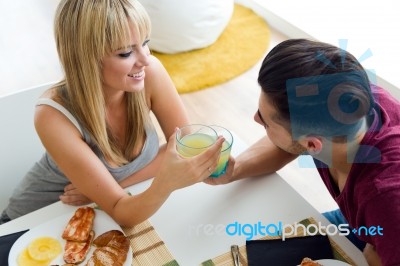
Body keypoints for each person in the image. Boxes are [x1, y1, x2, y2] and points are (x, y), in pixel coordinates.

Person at [0, 0, 224, 226]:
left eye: (145, 42)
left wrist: (107, 189)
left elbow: (184, 149)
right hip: (34, 220)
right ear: (85, 58)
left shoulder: (150, 72)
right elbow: (122, 212)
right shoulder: (53, 116)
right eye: (126, 53)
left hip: (96, 214)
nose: (145, 59)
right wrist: (163, 182)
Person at [206, 39, 400, 265]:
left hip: (382, 233)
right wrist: (236, 169)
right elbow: (290, 143)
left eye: (267, 122)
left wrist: (373, 259)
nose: (255, 119)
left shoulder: (385, 197)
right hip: (362, 226)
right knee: (253, 251)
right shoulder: (345, 99)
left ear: (312, 145)